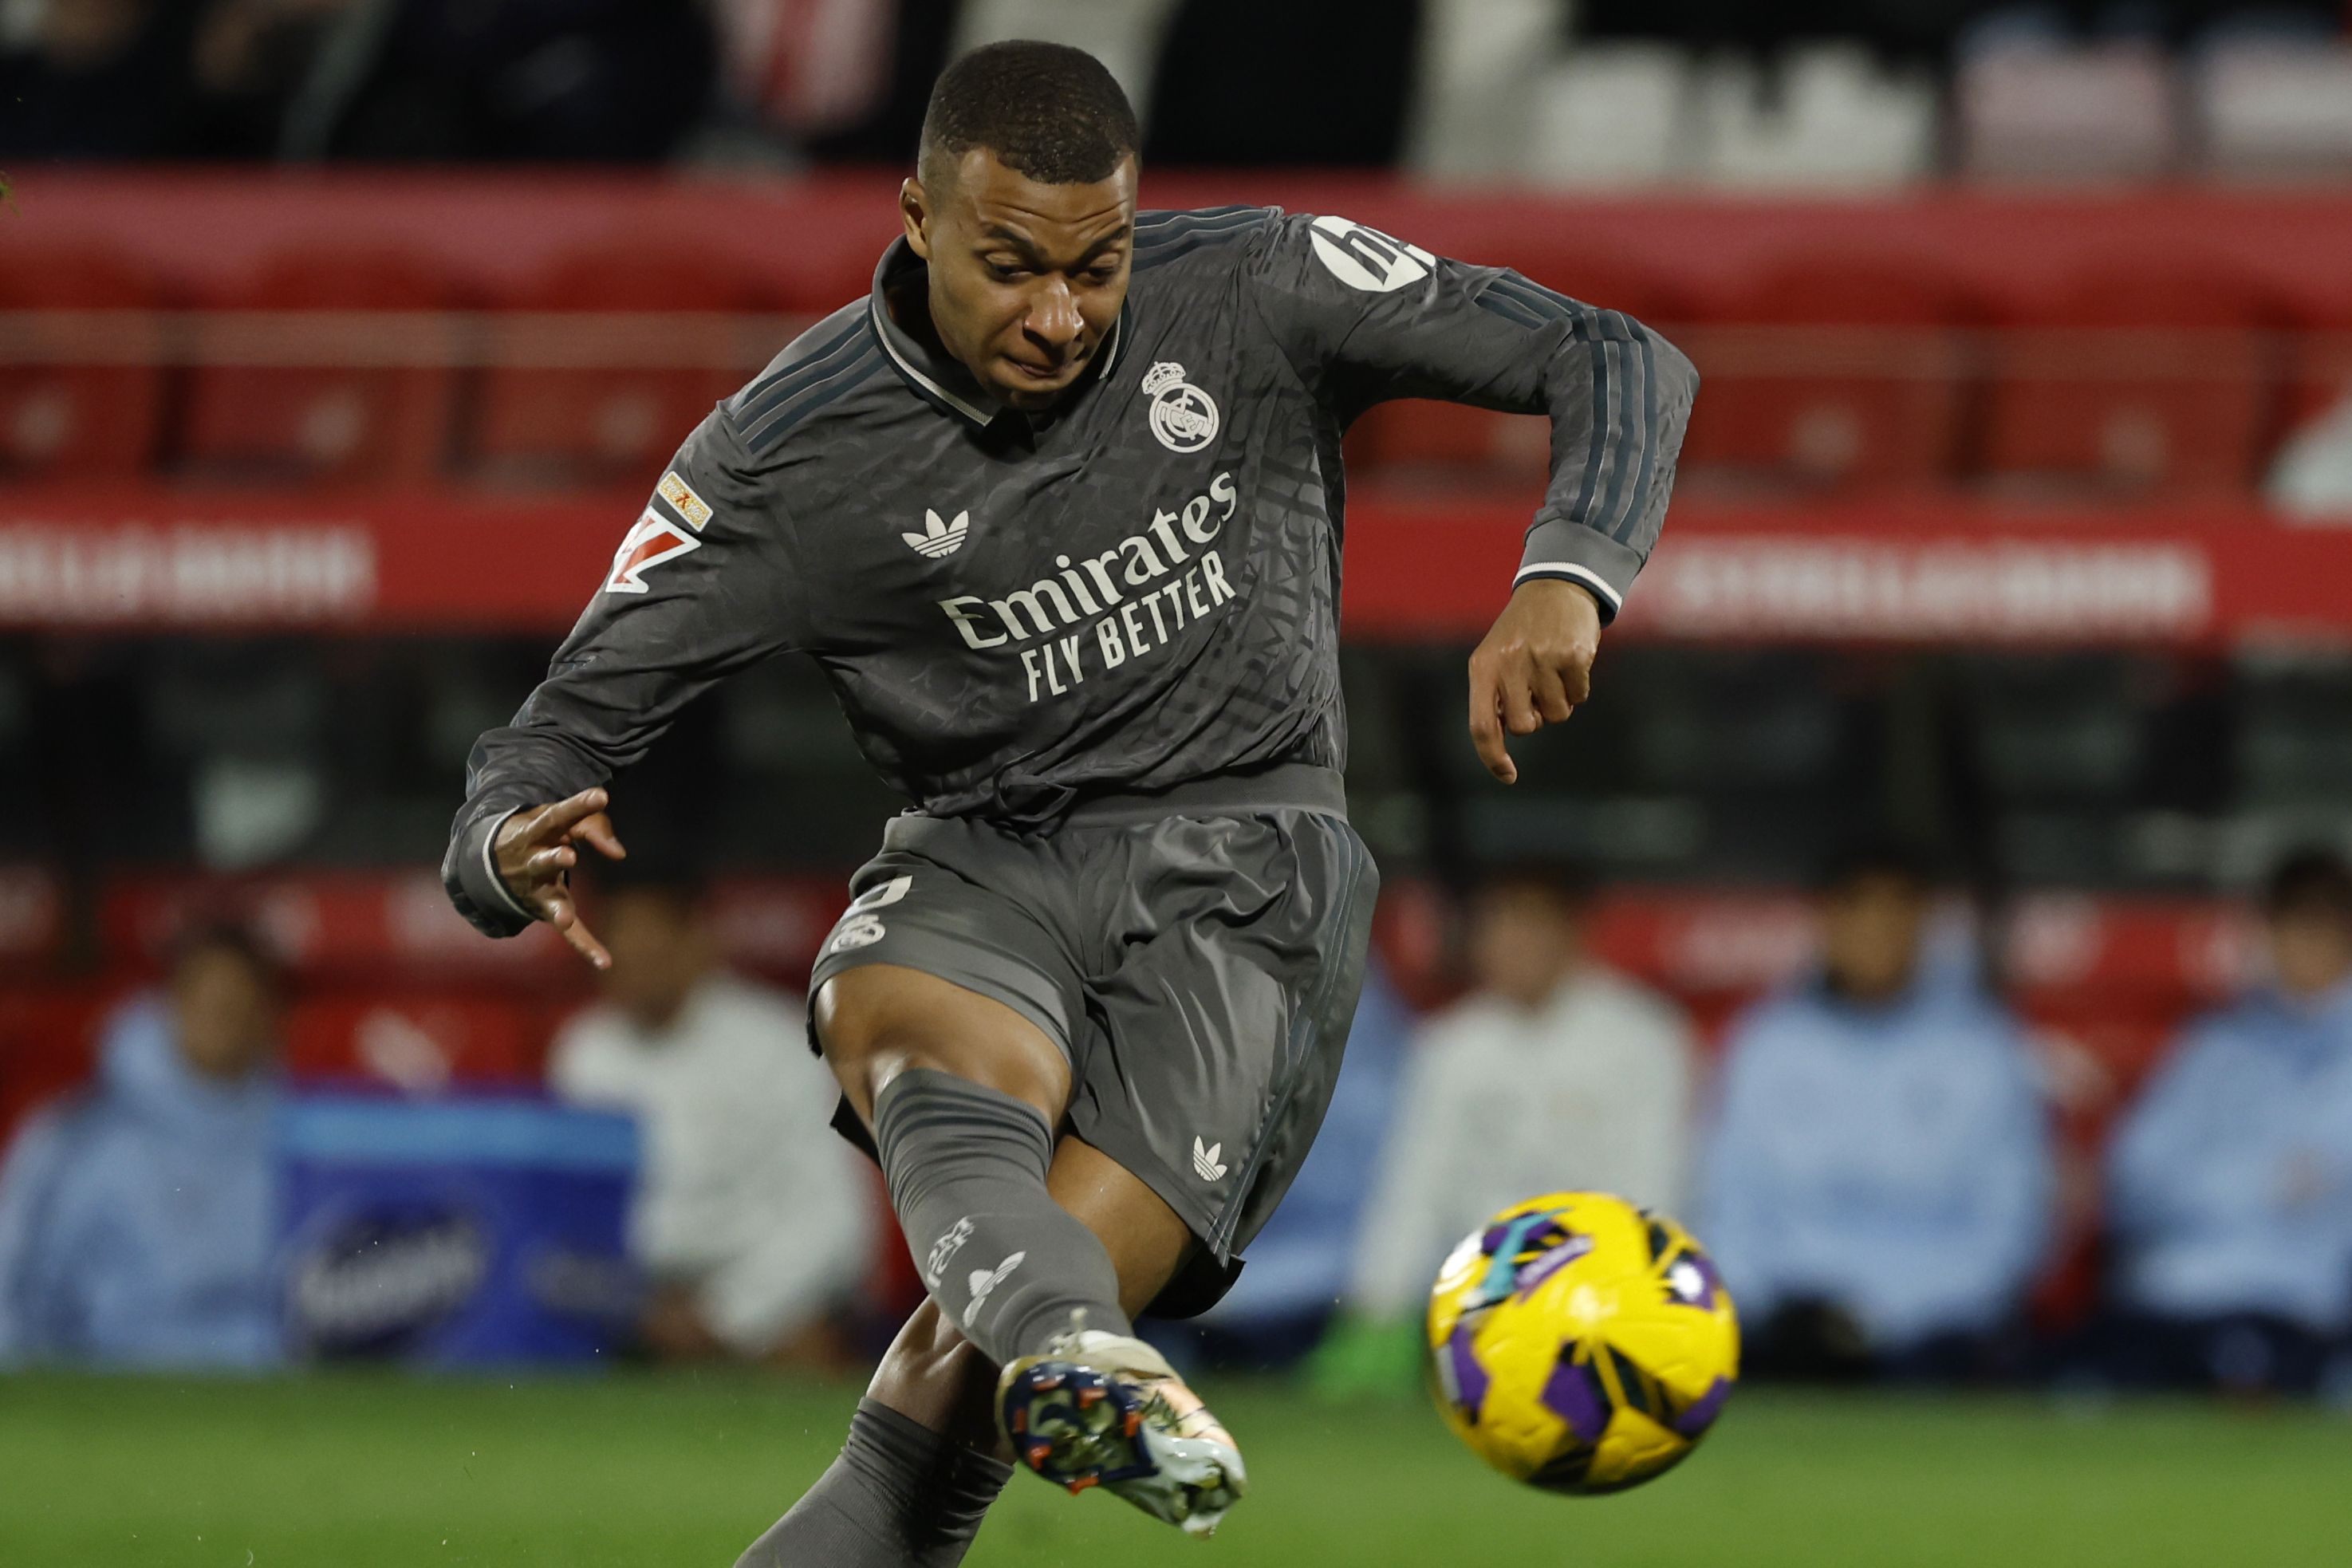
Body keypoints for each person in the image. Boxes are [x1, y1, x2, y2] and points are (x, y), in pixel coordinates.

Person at [441, 39, 1692, 1555]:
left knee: (935, 1405)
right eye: (1011, 267)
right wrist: (506, 847)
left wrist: (1567, 576)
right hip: (984, 850)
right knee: (919, 1040)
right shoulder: (786, 456)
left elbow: (1613, 352)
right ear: (912, 215)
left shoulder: (1253, 281)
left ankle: (1047, 1337)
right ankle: (1071, 1343)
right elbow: (556, 728)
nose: (1059, 313)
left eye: (1094, 267)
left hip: (1252, 891)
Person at [1313, 860, 1696, 1397]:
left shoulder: (1644, 1038)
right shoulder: (1447, 1047)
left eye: (1530, 923)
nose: (1512, 942)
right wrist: (1377, 1307)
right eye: (1497, 924)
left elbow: (1654, 1189)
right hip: (1473, 1306)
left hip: (1604, 1300)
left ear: (1573, 932)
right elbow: (1413, 1189)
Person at [1700, 846, 2052, 1381]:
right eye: (1857, 910)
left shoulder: (1985, 1049)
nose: (1876, 931)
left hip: (1934, 1337)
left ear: (1925, 924)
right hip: (1780, 1329)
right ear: (1824, 921)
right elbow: (1725, 1206)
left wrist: (1876, 1318)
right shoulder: (1767, 1042)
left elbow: (2007, 1233)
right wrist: (1770, 1307)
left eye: (1896, 912)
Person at [548, 872, 874, 1371]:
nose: (639, 972)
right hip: (631, 1313)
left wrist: (724, 1317)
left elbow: (835, 1222)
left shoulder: (781, 1044)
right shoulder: (585, 1052)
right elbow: (568, 1217)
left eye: (654, 954)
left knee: (807, 1350)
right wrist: (635, 1307)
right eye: (623, 957)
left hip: (762, 1309)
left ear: (699, 944)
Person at [2101, 847, 2352, 1395]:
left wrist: (2203, 1181)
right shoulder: (2215, 1045)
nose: (2305, 947)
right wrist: (2263, 1184)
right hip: (2162, 1298)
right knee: (2072, 1388)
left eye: (2324, 927)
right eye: (2291, 926)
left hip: (2293, 1311)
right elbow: (2131, 1179)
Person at [0, 925, 281, 1367]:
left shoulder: (301, 1135)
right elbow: (14, 1293)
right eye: (210, 1001)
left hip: (276, 1403)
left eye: (239, 1004)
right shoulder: (80, 1139)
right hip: (113, 1397)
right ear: (172, 1005)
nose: (224, 1019)